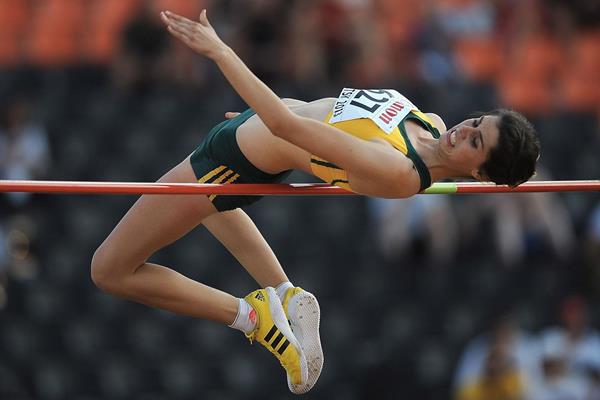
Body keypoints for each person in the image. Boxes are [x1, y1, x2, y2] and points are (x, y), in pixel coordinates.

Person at [90, 8, 541, 394]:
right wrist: (255, 115)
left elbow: (289, 129)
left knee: (110, 269)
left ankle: (250, 316)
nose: (463, 129)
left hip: (234, 157)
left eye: (475, 141)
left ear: (479, 172)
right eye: (477, 120)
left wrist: (221, 54)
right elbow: (328, 113)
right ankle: (285, 293)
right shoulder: (429, 122)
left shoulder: (400, 172)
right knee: (209, 211)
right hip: (249, 134)